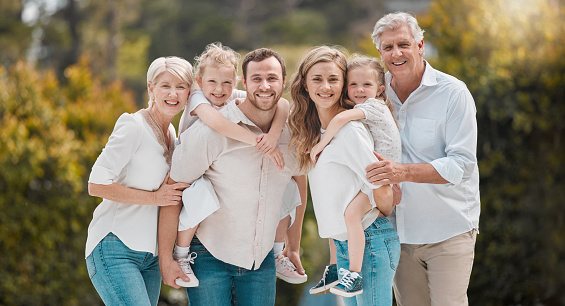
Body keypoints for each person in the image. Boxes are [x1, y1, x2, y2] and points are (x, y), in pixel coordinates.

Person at [159, 48, 308, 305]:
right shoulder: (210, 128)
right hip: (207, 256)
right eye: (257, 78)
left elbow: (299, 183)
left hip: (261, 260)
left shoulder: (291, 134)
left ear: (284, 82)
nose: (264, 85)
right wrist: (167, 259)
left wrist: (292, 247)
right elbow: (173, 190)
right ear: (246, 82)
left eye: (272, 78)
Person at [365, 12, 481, 306]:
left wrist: (401, 172)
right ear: (380, 53)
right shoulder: (373, 96)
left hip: (449, 230)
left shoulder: (453, 93)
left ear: (420, 45)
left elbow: (462, 165)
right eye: (388, 47)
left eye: (403, 44)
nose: (396, 53)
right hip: (396, 235)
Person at [289, 46, 400, 304]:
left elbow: (379, 183)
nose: (325, 86)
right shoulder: (314, 131)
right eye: (317, 79)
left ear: (343, 85)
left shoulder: (349, 130)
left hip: (370, 240)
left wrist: (383, 205)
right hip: (343, 245)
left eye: (333, 79)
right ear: (304, 84)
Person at [85, 56, 192, 305]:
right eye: (165, 85)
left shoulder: (173, 134)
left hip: (150, 257)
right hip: (114, 248)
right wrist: (154, 198)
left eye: (181, 86)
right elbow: (96, 184)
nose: (173, 93)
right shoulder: (133, 125)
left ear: (189, 93)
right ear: (150, 88)